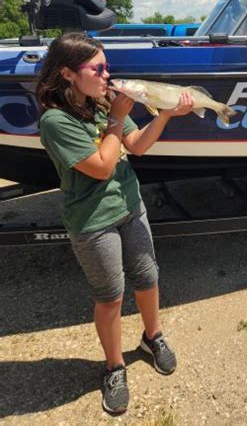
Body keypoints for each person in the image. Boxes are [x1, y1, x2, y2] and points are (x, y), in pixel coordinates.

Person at [36, 31, 194, 415]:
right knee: (110, 296)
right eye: (99, 68)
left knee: (148, 277)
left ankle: (151, 336)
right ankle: (114, 366)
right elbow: (103, 166)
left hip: (131, 207)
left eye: (107, 67)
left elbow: (136, 145)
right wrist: (117, 118)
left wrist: (168, 114)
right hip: (93, 221)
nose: (107, 75)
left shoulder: (101, 102)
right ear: (68, 73)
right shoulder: (56, 121)